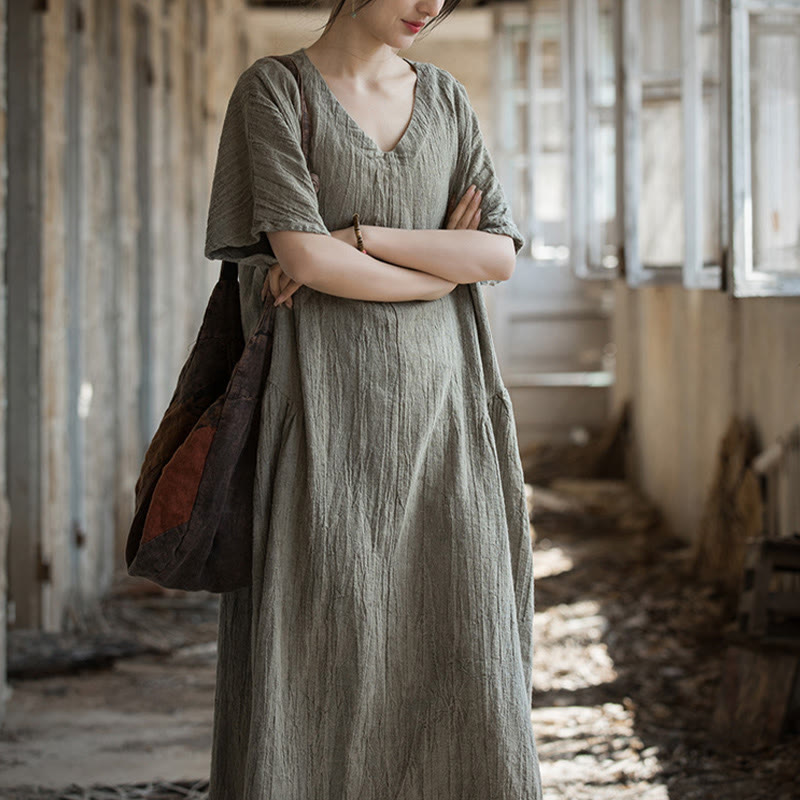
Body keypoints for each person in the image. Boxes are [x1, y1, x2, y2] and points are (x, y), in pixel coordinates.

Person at [203, 0, 543, 796]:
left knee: (457, 626)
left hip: (445, 408)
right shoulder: (276, 91)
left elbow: (497, 254)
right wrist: (437, 269)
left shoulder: (447, 99)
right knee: (323, 629)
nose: (432, 4)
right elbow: (300, 258)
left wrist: (360, 238)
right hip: (322, 405)